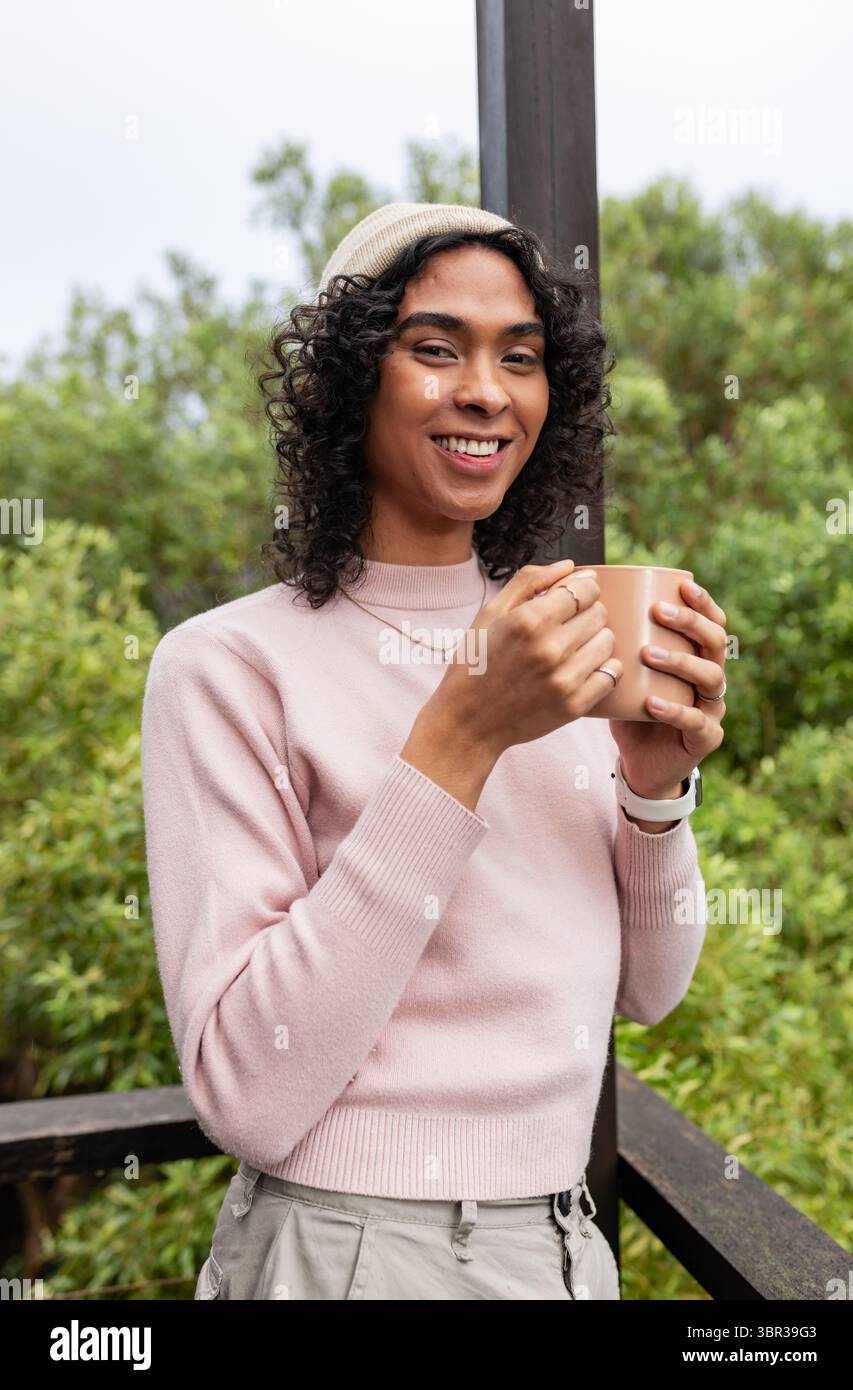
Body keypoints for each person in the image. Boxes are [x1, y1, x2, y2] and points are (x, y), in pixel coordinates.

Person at [140, 201, 727, 1301]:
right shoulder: (223, 667)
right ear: (350, 378)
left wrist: (654, 793)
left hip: (564, 1247)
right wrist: (459, 736)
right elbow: (245, 1093)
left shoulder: (561, 636)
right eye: (435, 348)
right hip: (348, 1254)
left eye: (522, 357)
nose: (486, 391)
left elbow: (647, 991)